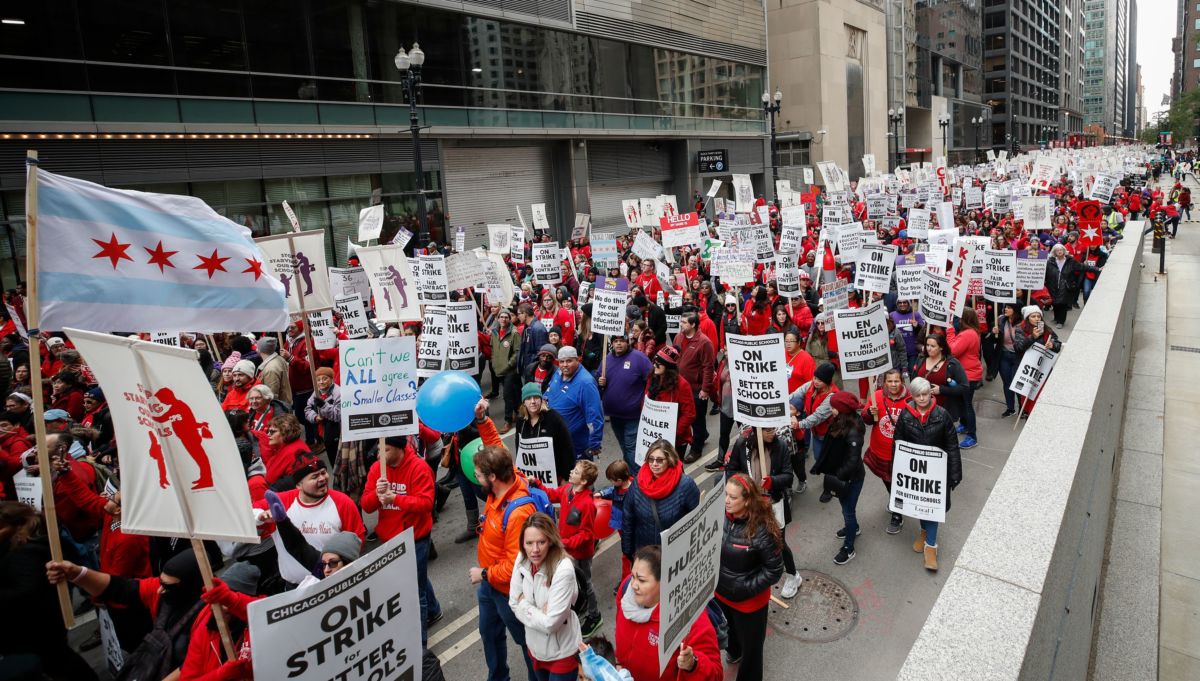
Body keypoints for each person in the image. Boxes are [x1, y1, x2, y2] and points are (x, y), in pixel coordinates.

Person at [1, 501, 99, 681]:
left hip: (36, 627)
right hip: (41, 624)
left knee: (60, 663)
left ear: (14, 526)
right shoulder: (24, 544)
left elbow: (27, 593)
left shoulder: (25, 552)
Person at [361, 435, 441, 643]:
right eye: (378, 450)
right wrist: (376, 495)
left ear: (399, 449)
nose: (380, 455)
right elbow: (366, 505)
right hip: (389, 538)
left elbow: (425, 504)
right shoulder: (377, 469)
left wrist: (395, 498)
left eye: (385, 450)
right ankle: (434, 610)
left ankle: (420, 644)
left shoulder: (420, 468)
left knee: (415, 592)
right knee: (417, 577)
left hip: (415, 537)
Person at [472, 444, 540, 681]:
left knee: (528, 644)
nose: (476, 479)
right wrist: (482, 420)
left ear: (493, 477)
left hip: (509, 594)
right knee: (489, 634)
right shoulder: (505, 477)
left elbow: (515, 567)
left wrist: (483, 574)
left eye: (479, 475)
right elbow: (497, 447)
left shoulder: (519, 513)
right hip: (490, 587)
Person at [614, 545, 722, 681]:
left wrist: (693, 665)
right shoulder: (625, 590)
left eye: (641, 580)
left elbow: (716, 675)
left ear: (665, 583)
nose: (633, 585)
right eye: (632, 576)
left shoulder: (690, 618)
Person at [723, 425, 803, 597]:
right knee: (753, 542)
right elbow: (731, 470)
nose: (772, 433)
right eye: (767, 430)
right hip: (749, 505)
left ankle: (792, 575)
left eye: (773, 429)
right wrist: (741, 488)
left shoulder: (780, 445)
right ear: (756, 431)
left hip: (772, 502)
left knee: (778, 542)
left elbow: (788, 476)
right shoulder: (741, 445)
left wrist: (773, 481)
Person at [716, 475, 784, 680]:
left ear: (746, 500)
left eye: (732, 497)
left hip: (749, 603)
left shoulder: (762, 530)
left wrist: (745, 587)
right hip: (722, 594)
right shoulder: (721, 516)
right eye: (725, 494)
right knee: (730, 632)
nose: (726, 500)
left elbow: (774, 570)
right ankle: (734, 652)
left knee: (752, 652)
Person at [892, 377, 962, 571]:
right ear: (912, 396)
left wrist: (955, 472)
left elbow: (952, 446)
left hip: (936, 474)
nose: (922, 398)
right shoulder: (905, 415)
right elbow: (898, 443)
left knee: (933, 508)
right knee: (919, 503)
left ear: (931, 394)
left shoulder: (942, 415)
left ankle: (931, 546)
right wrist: (896, 470)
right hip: (915, 474)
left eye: (925, 394)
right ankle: (924, 532)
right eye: (918, 395)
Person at [509, 513, 584, 681]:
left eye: (541, 542)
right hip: (535, 648)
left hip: (562, 653)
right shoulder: (521, 558)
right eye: (529, 543)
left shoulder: (563, 568)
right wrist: (538, 612)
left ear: (550, 541)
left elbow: (551, 623)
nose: (535, 550)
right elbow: (513, 602)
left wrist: (524, 605)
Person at [811, 391, 867, 564]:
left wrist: (838, 477)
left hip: (851, 479)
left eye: (834, 407)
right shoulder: (842, 422)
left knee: (848, 511)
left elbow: (852, 461)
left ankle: (848, 548)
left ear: (842, 410)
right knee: (846, 509)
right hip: (844, 475)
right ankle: (854, 528)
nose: (831, 409)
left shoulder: (853, 432)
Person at [621, 439, 700, 561]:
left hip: (674, 554)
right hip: (644, 553)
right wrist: (627, 549)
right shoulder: (638, 483)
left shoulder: (685, 485)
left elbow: (698, 518)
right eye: (650, 459)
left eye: (659, 460)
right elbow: (628, 516)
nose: (654, 464)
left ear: (670, 459)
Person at [860, 369, 910, 534]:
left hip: (901, 454)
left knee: (898, 484)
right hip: (880, 452)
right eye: (890, 381)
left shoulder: (910, 399)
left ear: (902, 381)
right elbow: (866, 421)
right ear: (885, 382)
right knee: (888, 481)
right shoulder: (877, 396)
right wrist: (869, 413)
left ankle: (898, 513)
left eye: (896, 381)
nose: (893, 385)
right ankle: (895, 500)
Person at [597, 333, 652, 474]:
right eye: (616, 341)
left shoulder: (639, 358)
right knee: (624, 446)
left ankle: (639, 478)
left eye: (622, 341)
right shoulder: (606, 360)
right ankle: (633, 475)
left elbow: (652, 380)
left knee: (631, 447)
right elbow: (597, 381)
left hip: (634, 415)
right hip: (614, 415)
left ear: (628, 342)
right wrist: (600, 382)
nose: (619, 344)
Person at [545, 346, 604, 461]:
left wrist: (594, 444)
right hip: (556, 439)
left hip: (577, 445)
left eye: (569, 361)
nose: (565, 365)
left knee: (578, 477)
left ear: (578, 360)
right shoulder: (558, 372)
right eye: (561, 361)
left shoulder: (586, 383)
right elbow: (549, 391)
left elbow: (595, 416)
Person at [790, 362, 839, 500]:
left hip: (829, 433)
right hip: (817, 433)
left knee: (828, 462)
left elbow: (816, 417)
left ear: (827, 381)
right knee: (819, 458)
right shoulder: (811, 385)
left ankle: (829, 489)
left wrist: (798, 424)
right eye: (815, 378)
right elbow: (796, 394)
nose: (815, 382)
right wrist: (783, 405)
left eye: (820, 380)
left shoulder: (831, 396)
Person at [515, 382, 577, 486]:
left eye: (536, 397)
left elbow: (567, 449)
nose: (533, 401)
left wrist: (566, 477)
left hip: (555, 479)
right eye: (528, 398)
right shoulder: (520, 421)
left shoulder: (554, 418)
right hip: (531, 479)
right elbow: (519, 449)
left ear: (541, 399)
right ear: (524, 402)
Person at [673, 312, 714, 463]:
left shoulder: (704, 342)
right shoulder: (678, 337)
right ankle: (703, 434)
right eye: (681, 321)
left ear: (693, 325)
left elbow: (708, 367)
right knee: (683, 416)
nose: (681, 324)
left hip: (696, 388)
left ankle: (696, 449)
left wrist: (705, 389)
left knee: (697, 419)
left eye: (684, 322)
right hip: (680, 386)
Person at [645, 347, 697, 458]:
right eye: (654, 362)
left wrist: (673, 434)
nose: (654, 365)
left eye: (658, 363)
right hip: (654, 435)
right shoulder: (652, 378)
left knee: (675, 471)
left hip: (676, 439)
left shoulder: (682, 385)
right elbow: (645, 402)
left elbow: (689, 414)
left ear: (668, 367)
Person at [913, 334, 968, 433]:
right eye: (927, 345)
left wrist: (942, 390)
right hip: (921, 410)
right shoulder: (921, 358)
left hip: (942, 412)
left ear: (941, 347)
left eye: (933, 346)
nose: (929, 349)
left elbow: (964, 387)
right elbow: (914, 379)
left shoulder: (952, 364)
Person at [946, 308, 984, 449]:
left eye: (958, 318)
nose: (957, 320)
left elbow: (953, 351)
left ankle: (972, 436)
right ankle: (964, 424)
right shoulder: (971, 332)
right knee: (962, 403)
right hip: (967, 373)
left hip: (968, 375)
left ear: (963, 319)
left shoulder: (967, 334)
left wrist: (949, 332)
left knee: (967, 405)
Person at [254, 413, 312, 485]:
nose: (268, 434)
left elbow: (270, 479)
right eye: (268, 431)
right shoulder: (287, 447)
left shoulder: (291, 452)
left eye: (272, 432)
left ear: (285, 432)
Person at [1044, 244, 1089, 328]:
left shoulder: (1070, 261)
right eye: (1057, 250)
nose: (1059, 251)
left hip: (1065, 286)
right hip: (1053, 286)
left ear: (1064, 251)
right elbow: (1044, 273)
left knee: (1062, 303)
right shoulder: (1050, 262)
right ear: (1054, 252)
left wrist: (1096, 269)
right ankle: (1056, 318)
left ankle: (1061, 321)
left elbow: (1082, 267)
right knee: (1055, 302)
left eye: (1061, 250)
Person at [491, 309, 521, 433]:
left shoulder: (514, 333)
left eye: (506, 317)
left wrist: (508, 365)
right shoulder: (494, 332)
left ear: (509, 319)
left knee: (507, 395)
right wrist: (494, 363)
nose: (503, 319)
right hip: (499, 369)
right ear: (498, 319)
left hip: (510, 370)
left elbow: (517, 352)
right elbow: (493, 348)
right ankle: (518, 412)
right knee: (512, 394)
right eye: (501, 317)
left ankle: (508, 421)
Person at [304, 367, 341, 458]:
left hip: (337, 432)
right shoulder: (317, 392)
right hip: (324, 431)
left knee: (336, 456)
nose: (321, 382)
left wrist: (324, 406)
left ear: (331, 379)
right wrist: (315, 417)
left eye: (325, 378)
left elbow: (338, 415)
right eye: (318, 379)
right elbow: (307, 409)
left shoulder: (338, 393)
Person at [994, 303, 1022, 417]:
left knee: (1018, 384)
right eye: (1005, 307)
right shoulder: (1001, 320)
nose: (1006, 309)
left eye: (1009, 307)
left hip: (1018, 357)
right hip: (1004, 356)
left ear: (1016, 310)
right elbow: (994, 339)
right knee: (1007, 383)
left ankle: (1022, 409)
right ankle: (1010, 408)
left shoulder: (1023, 323)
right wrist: (994, 332)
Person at [255, 336, 293, 407]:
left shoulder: (271, 369)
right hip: (284, 404)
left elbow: (271, 394)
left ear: (260, 349)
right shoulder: (279, 358)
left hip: (278, 409)